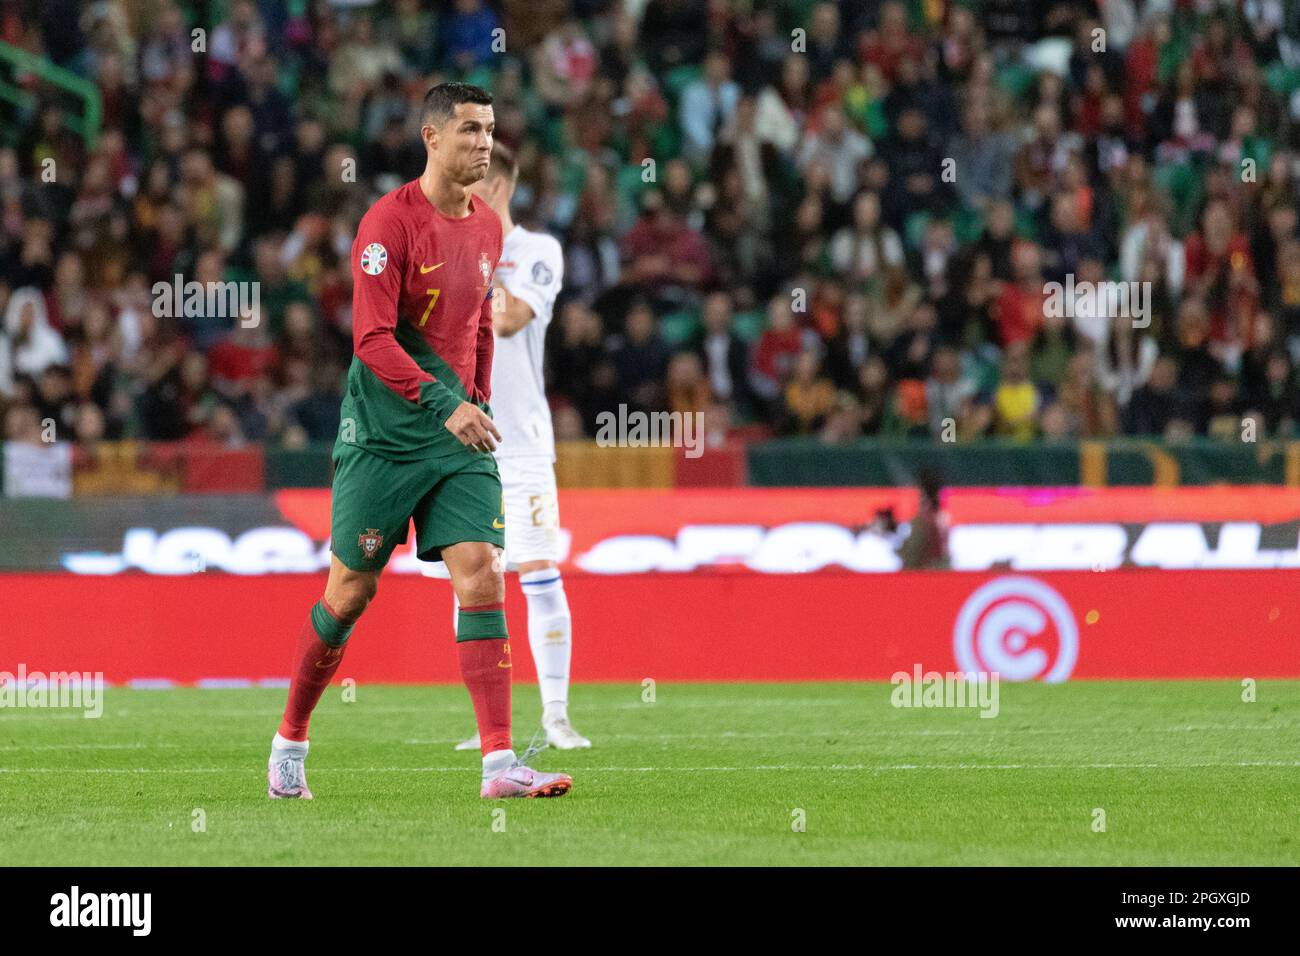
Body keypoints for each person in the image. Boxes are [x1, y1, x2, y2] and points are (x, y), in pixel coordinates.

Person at [266, 83, 572, 801]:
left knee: (482, 568)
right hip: (382, 436)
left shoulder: (489, 231)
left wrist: (478, 398)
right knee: (350, 591)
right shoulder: (386, 225)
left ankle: (499, 766)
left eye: (490, 130)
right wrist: (445, 404)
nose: (484, 144)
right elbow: (370, 339)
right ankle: (290, 740)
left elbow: (474, 329)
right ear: (431, 138)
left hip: (457, 434)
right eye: (469, 130)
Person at [442, 142, 592, 751]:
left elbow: (508, 320)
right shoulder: (449, 252)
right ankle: (486, 727)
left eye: (469, 180)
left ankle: (555, 714)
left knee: (535, 568)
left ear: (496, 186)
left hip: (523, 441)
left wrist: (477, 258)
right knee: (473, 575)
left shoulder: (537, 252)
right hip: (462, 440)